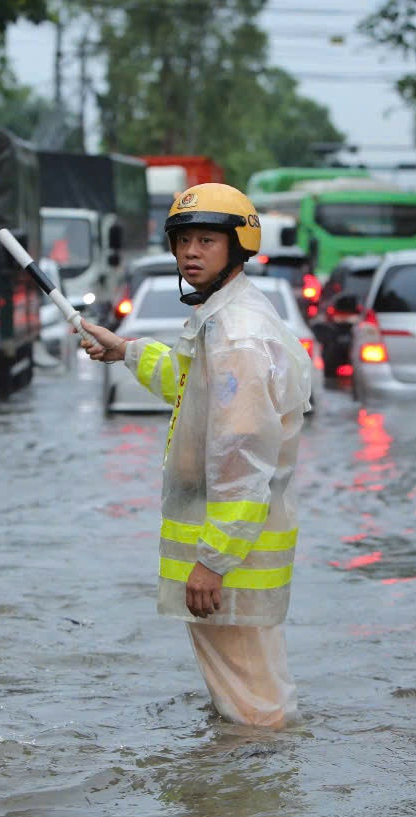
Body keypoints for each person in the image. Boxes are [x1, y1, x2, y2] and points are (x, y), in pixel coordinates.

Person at [77, 183, 312, 728]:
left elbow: (243, 458)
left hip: (229, 561)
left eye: (207, 240)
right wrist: (127, 350)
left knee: (256, 712)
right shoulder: (224, 321)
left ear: (238, 246)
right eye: (183, 239)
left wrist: (213, 560)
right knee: (248, 699)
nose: (190, 252)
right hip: (229, 557)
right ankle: (246, 797)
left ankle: (247, 807)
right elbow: (195, 392)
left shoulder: (238, 337)